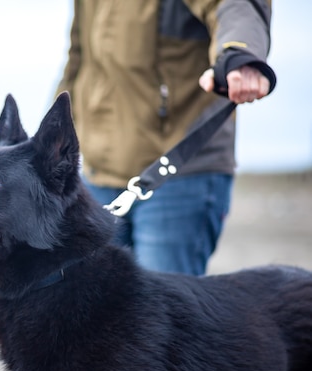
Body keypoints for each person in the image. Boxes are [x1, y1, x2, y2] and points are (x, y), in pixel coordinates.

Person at [56, 0, 276, 276]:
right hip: (97, 174)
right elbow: (80, 58)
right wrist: (48, 142)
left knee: (164, 314)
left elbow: (235, 6)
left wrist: (239, 54)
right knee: (94, 310)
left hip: (179, 172)